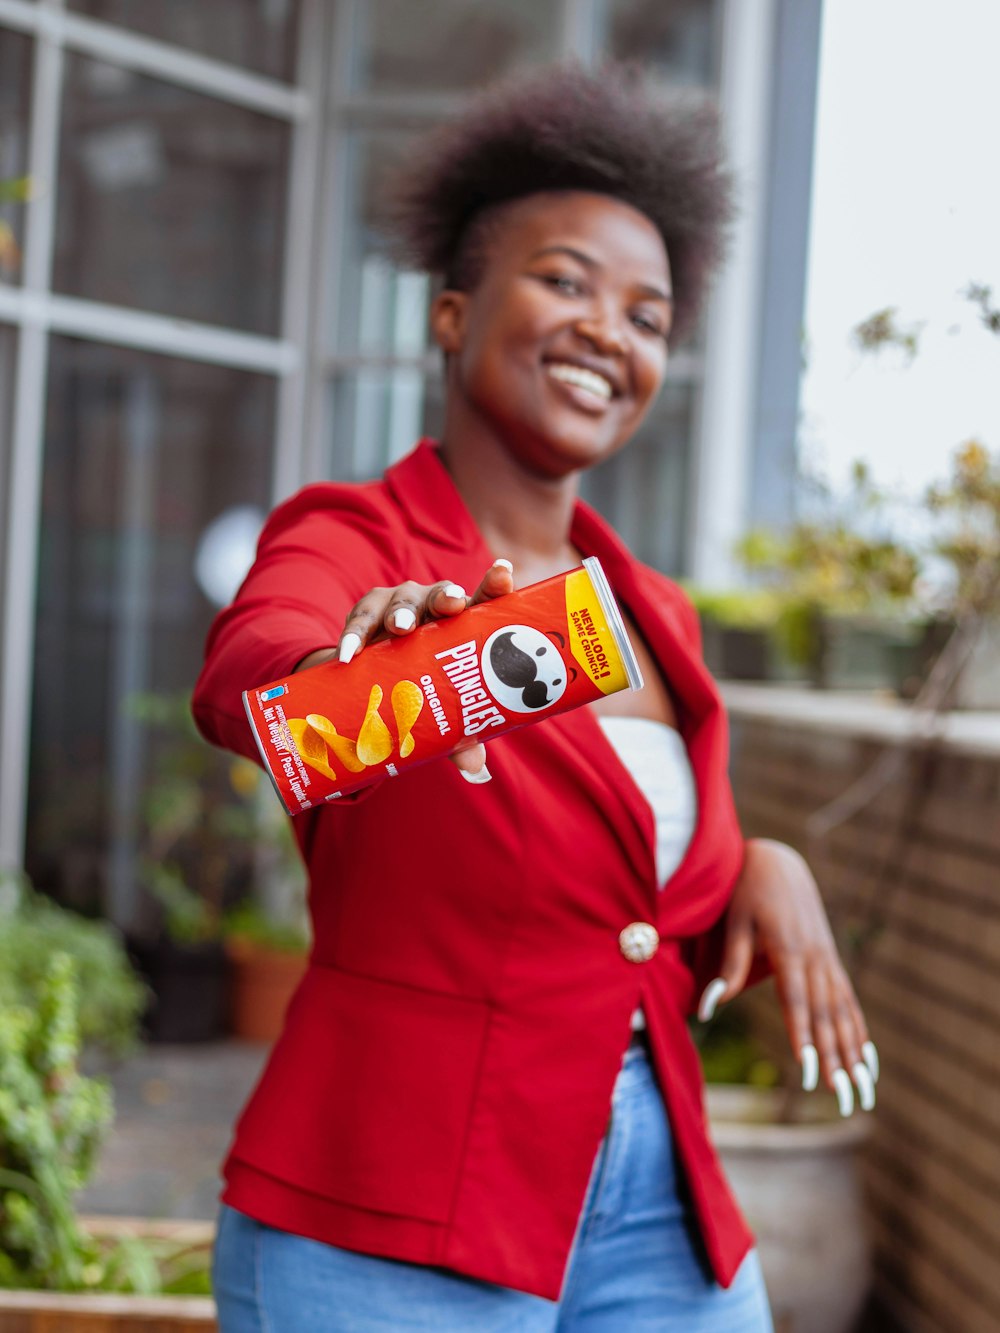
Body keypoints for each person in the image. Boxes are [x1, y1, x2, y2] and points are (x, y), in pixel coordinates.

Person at [195, 62, 878, 1333]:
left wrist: (762, 866)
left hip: (656, 1202)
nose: (606, 331)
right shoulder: (358, 541)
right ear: (453, 314)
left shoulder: (654, 614)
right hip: (391, 1213)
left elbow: (610, 884)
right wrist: (344, 673)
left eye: (647, 315)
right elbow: (253, 683)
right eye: (564, 280)